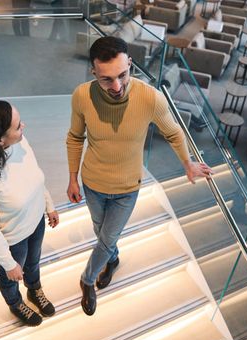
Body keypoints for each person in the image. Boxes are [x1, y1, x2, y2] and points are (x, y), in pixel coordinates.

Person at [66, 36, 213, 316]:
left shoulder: (149, 97)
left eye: (123, 75)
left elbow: (173, 131)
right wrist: (73, 178)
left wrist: (188, 163)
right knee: (102, 234)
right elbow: (75, 137)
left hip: (127, 188)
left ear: (130, 64)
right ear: (93, 72)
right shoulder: (82, 96)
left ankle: (87, 281)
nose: (117, 86)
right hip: (93, 183)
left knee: (107, 238)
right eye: (107, 79)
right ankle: (113, 260)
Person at [0, 98, 59, 327]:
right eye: (17, 126)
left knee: (33, 263)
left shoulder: (21, 144)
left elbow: (36, 177)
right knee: (11, 278)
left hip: (36, 223)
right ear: (0, 140)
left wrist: (49, 205)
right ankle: (15, 302)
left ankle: (34, 290)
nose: (23, 127)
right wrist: (8, 263)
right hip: (13, 239)